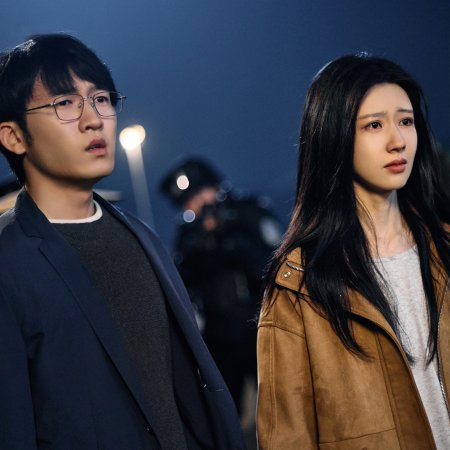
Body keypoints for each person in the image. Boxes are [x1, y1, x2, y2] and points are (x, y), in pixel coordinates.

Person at [0, 34, 245, 450]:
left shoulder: (142, 237)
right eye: (65, 103)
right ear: (13, 136)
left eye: (101, 99)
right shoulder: (9, 261)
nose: (94, 119)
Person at [257, 54, 450, 449]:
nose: (397, 141)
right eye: (374, 125)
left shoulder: (444, 248)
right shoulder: (298, 287)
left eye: (406, 121)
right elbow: (285, 438)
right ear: (334, 136)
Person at [160, 158, 281, 414]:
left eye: (199, 196)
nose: (195, 206)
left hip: (262, 326)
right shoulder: (189, 233)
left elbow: (274, 264)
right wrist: (202, 246)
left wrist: (231, 242)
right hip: (221, 336)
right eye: (188, 202)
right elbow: (184, 280)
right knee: (225, 411)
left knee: (279, 402)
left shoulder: (247, 212)